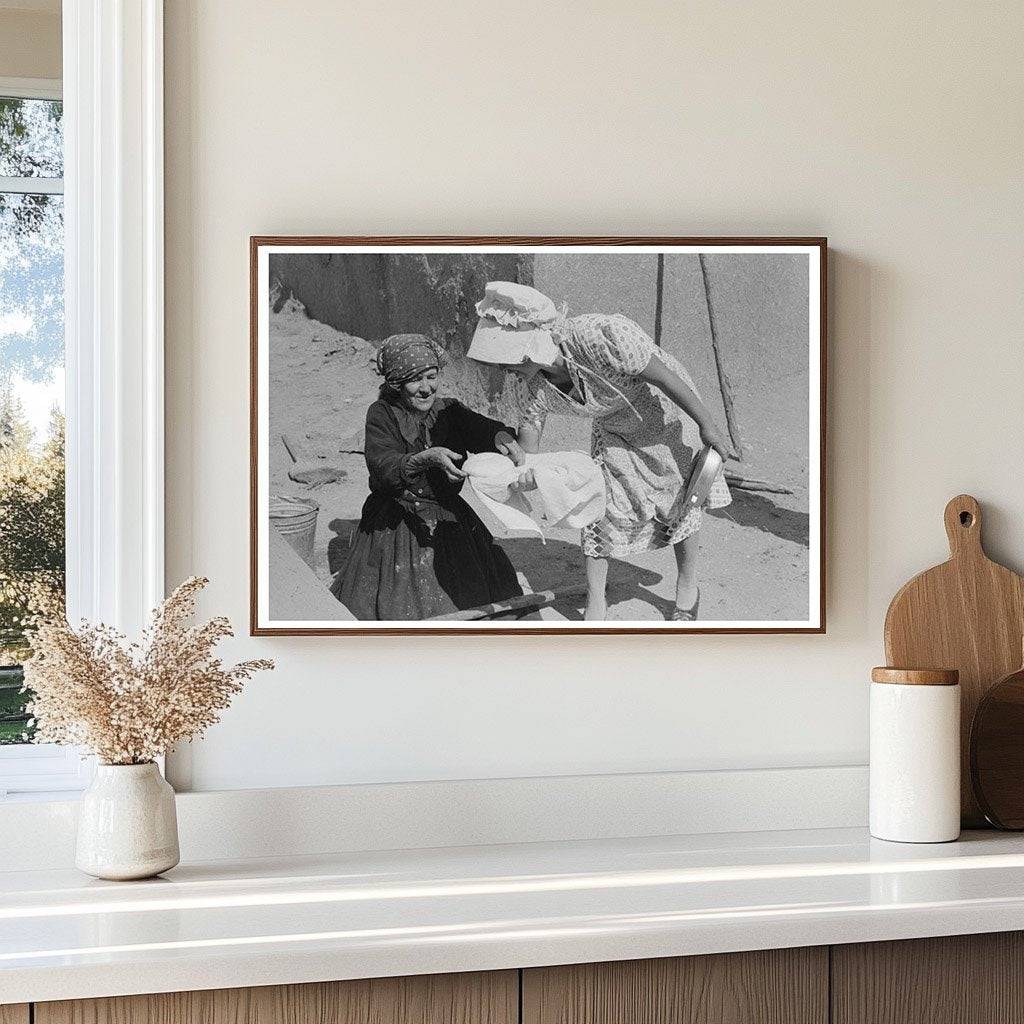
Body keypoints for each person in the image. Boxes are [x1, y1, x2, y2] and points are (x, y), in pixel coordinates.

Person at [467, 281, 736, 621]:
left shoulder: (598, 336)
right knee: (599, 505)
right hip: (612, 427)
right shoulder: (530, 386)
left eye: (507, 357)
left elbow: (666, 379)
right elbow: (528, 452)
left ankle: (687, 587)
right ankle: (597, 603)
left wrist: (707, 425)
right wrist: (511, 469)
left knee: (682, 499)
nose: (503, 368)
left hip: (664, 409)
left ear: (532, 342)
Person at [332, 333, 525, 620]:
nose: (426, 388)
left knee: (476, 592)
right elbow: (383, 465)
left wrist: (497, 434)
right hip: (398, 520)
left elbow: (479, 428)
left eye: (432, 377)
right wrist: (423, 459)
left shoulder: (449, 410)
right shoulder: (382, 414)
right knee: (403, 605)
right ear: (397, 384)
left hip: (447, 515)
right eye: (415, 380)